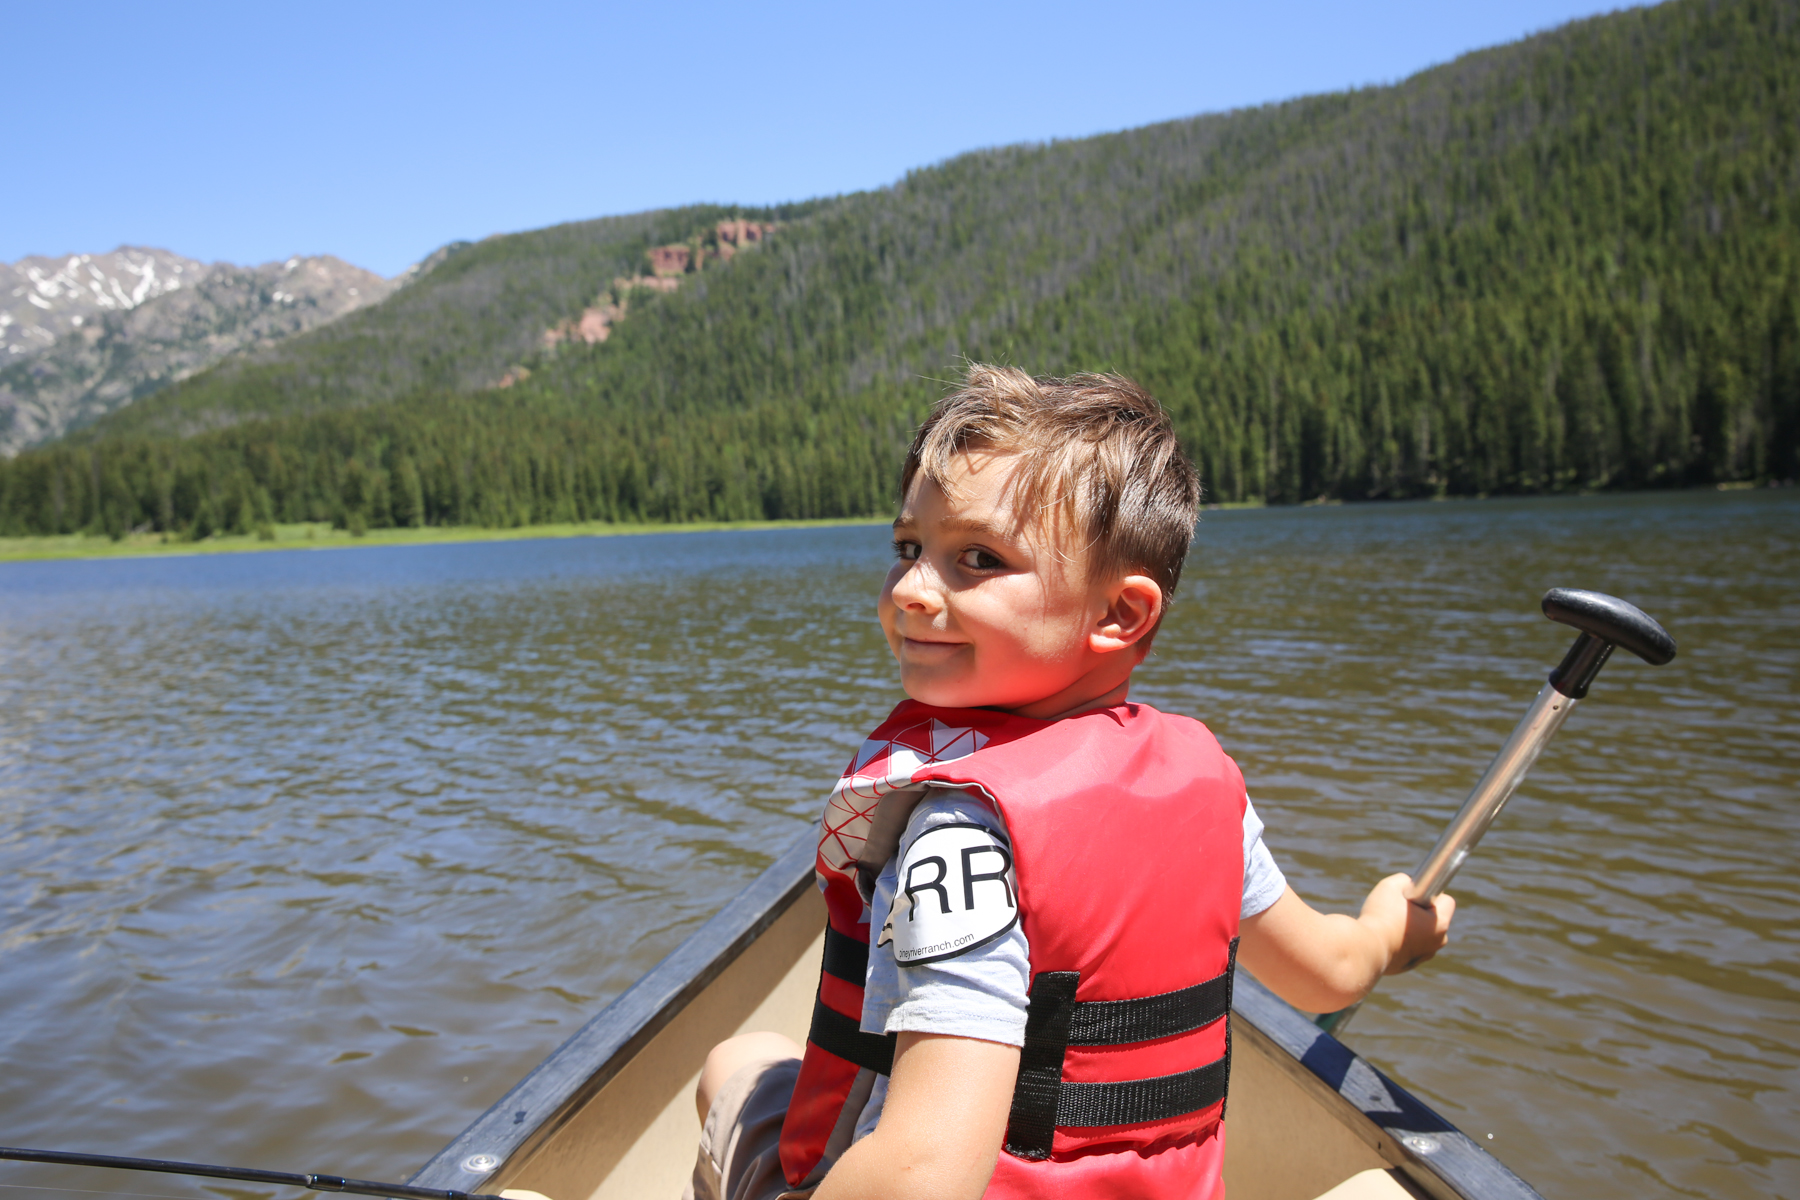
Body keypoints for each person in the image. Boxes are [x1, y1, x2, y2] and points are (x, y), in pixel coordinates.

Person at [686, 366, 1455, 1200]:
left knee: (734, 1064)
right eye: (910, 548)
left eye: (975, 559)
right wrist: (1388, 931)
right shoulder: (1205, 790)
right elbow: (1328, 975)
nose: (909, 590)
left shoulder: (963, 832)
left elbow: (923, 1174)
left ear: (1121, 615)